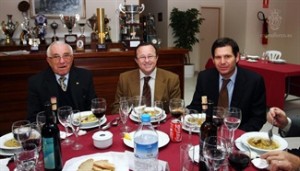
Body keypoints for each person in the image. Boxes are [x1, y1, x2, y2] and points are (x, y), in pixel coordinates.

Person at [187, 37, 267, 132]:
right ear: (213, 60)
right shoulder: (204, 77)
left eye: (227, 57)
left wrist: (237, 135)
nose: (222, 62)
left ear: (237, 57)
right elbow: (196, 107)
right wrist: (186, 113)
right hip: (209, 131)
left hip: (238, 133)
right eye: (218, 57)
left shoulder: (254, 81)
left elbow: (258, 118)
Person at [27, 41, 97, 122]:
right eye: (56, 57)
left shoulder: (85, 76)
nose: (62, 61)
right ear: (49, 61)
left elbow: (93, 109)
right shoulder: (36, 82)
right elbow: (33, 118)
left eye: (66, 55)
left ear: (72, 58)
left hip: (81, 126)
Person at [111, 42, 181, 114]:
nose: (147, 60)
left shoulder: (172, 79)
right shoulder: (124, 78)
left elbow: (176, 109)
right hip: (133, 122)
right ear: (136, 60)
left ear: (156, 58)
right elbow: (117, 107)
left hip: (160, 122)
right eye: (142, 57)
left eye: (150, 56)